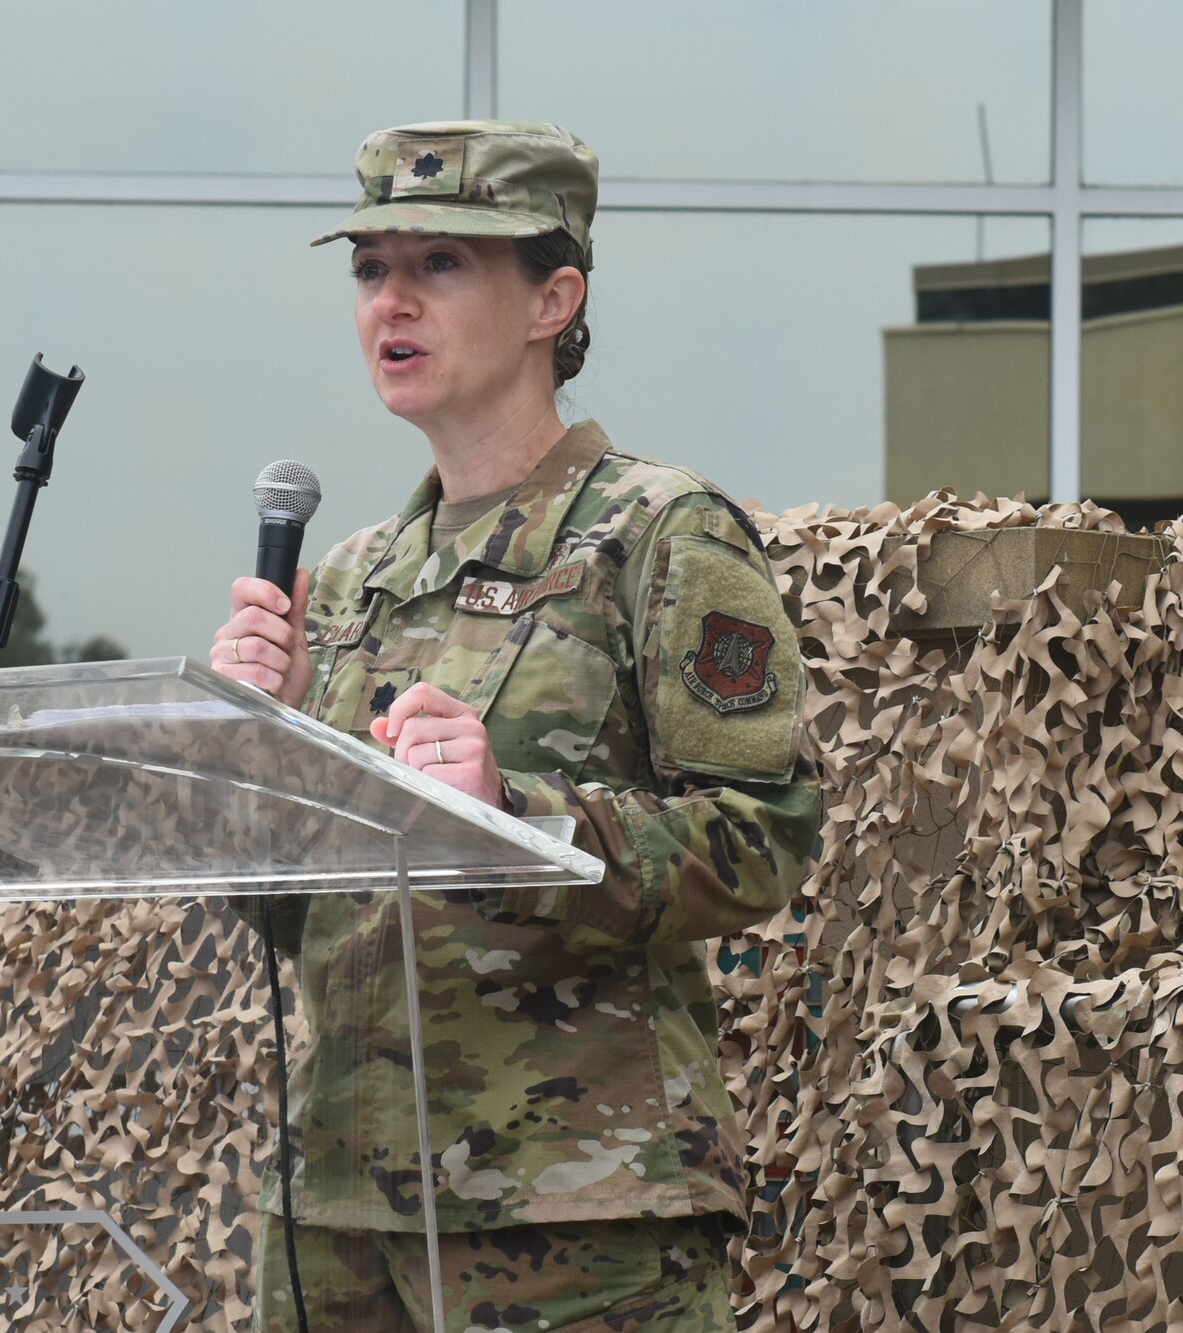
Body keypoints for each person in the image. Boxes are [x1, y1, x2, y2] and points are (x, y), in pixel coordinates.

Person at [209, 121, 821, 1333]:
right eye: (369, 267)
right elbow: (291, 913)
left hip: (574, 1215)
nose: (391, 298)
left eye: (438, 264)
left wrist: (513, 815)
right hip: (340, 1211)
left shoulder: (656, 534)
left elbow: (766, 838)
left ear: (554, 297)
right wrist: (259, 752)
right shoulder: (346, 578)